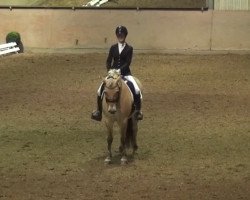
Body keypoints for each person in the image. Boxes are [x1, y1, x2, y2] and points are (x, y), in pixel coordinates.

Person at [91, 25, 143, 121]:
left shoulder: (129, 48)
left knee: (136, 89)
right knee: (99, 90)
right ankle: (98, 111)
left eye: (122, 34)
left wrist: (119, 71)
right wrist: (110, 70)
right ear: (116, 35)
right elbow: (108, 61)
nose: (120, 36)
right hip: (112, 74)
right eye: (118, 34)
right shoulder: (113, 47)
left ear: (125, 35)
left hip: (125, 74)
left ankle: (138, 111)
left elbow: (128, 63)